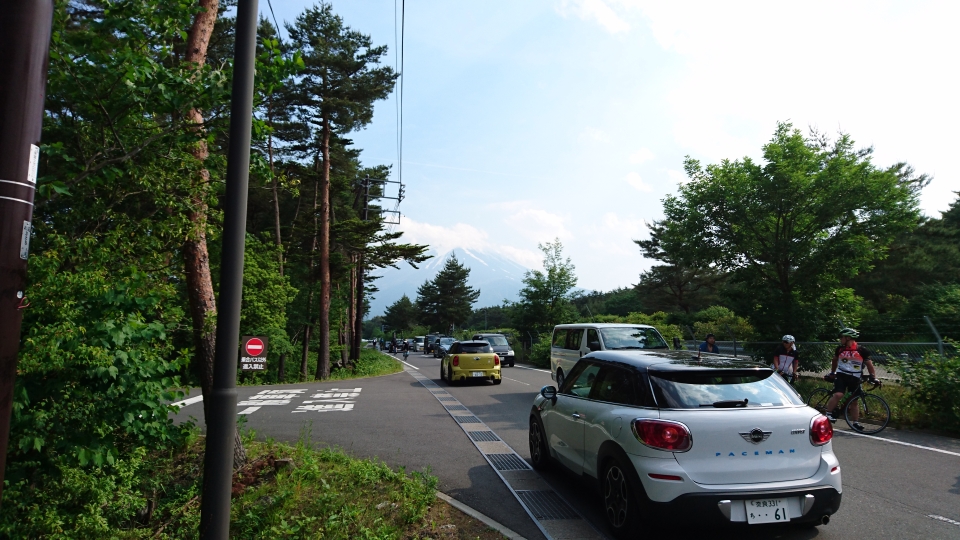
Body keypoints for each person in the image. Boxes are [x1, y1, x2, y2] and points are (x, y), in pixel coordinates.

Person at [824, 328, 879, 429]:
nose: (840, 339)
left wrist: (873, 377)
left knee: (854, 401)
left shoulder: (861, 350)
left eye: (842, 337)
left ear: (848, 338)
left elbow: (870, 365)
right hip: (841, 375)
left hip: (855, 377)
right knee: (839, 394)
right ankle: (828, 413)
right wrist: (832, 372)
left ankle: (855, 423)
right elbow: (834, 360)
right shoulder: (840, 349)